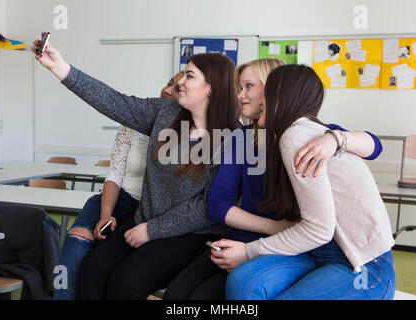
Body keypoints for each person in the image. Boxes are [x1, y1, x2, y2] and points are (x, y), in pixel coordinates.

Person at [32, 33, 240, 299]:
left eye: (189, 76)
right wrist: (60, 68)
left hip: (193, 234)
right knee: (91, 273)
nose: (180, 83)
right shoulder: (166, 113)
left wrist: (152, 231)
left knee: (124, 285)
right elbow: (114, 102)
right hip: (146, 221)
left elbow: (206, 207)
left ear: (211, 87)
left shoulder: (233, 137)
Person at [163, 58, 383, 300]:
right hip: (271, 241)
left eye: (249, 87)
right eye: (240, 87)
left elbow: (375, 145)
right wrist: (275, 229)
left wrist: (336, 140)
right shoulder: (244, 138)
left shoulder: (307, 135)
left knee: (207, 295)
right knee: (178, 295)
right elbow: (217, 203)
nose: (240, 95)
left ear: (273, 91)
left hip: (301, 247)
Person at [223, 64, 395, 300]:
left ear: (281, 99)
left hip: (363, 268)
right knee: (243, 282)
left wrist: (249, 251)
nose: (257, 99)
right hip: (316, 253)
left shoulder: (297, 135)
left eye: (265, 92)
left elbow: (319, 230)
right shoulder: (294, 132)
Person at [53, 72, 183, 300]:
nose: (167, 89)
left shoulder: (190, 132)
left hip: (152, 210)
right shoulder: (133, 123)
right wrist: (105, 214)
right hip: (119, 199)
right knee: (77, 238)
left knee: (107, 266)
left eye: (178, 88)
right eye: (169, 82)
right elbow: (114, 173)